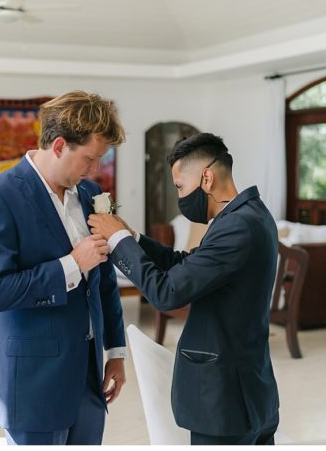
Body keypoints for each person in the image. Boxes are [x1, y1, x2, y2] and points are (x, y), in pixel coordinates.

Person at [87, 133, 280, 445]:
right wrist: (132, 237)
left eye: (179, 186)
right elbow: (186, 263)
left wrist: (117, 242)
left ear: (206, 177)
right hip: (250, 393)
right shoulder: (249, 214)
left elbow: (167, 293)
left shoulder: (237, 226)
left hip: (227, 402)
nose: (179, 196)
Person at [0, 91, 127, 445]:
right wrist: (71, 265)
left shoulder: (89, 194)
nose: (94, 170)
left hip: (89, 384)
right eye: (89, 159)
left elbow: (104, 282)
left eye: (100, 160)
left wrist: (115, 352)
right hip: (33, 384)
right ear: (58, 145)